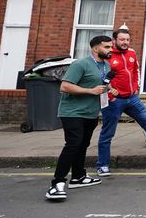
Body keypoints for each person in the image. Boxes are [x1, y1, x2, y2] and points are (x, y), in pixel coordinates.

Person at [45, 35, 110, 201]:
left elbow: (101, 84)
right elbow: (64, 86)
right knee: (73, 144)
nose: (110, 50)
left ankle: (78, 177)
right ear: (96, 48)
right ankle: (56, 184)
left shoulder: (105, 65)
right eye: (107, 47)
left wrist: (109, 90)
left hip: (91, 112)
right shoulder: (81, 64)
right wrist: (91, 91)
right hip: (72, 112)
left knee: (83, 144)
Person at [96, 28, 146, 177]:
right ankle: (103, 165)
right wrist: (111, 94)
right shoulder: (108, 56)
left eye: (127, 40)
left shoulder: (132, 53)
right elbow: (101, 77)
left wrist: (136, 88)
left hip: (132, 98)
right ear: (114, 40)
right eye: (122, 39)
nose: (125, 42)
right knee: (108, 133)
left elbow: (135, 71)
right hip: (114, 100)